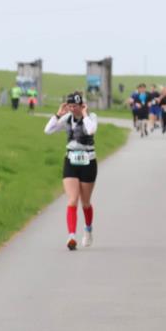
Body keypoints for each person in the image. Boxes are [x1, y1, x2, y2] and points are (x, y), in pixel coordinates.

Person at [45, 92, 98, 250]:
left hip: (88, 160)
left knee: (85, 202)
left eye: (75, 106)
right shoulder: (67, 118)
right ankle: (71, 236)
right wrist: (58, 114)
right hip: (71, 160)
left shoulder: (91, 117)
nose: (72, 109)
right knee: (72, 199)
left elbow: (91, 130)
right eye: (70, 106)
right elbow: (48, 130)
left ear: (82, 105)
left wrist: (85, 114)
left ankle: (88, 230)